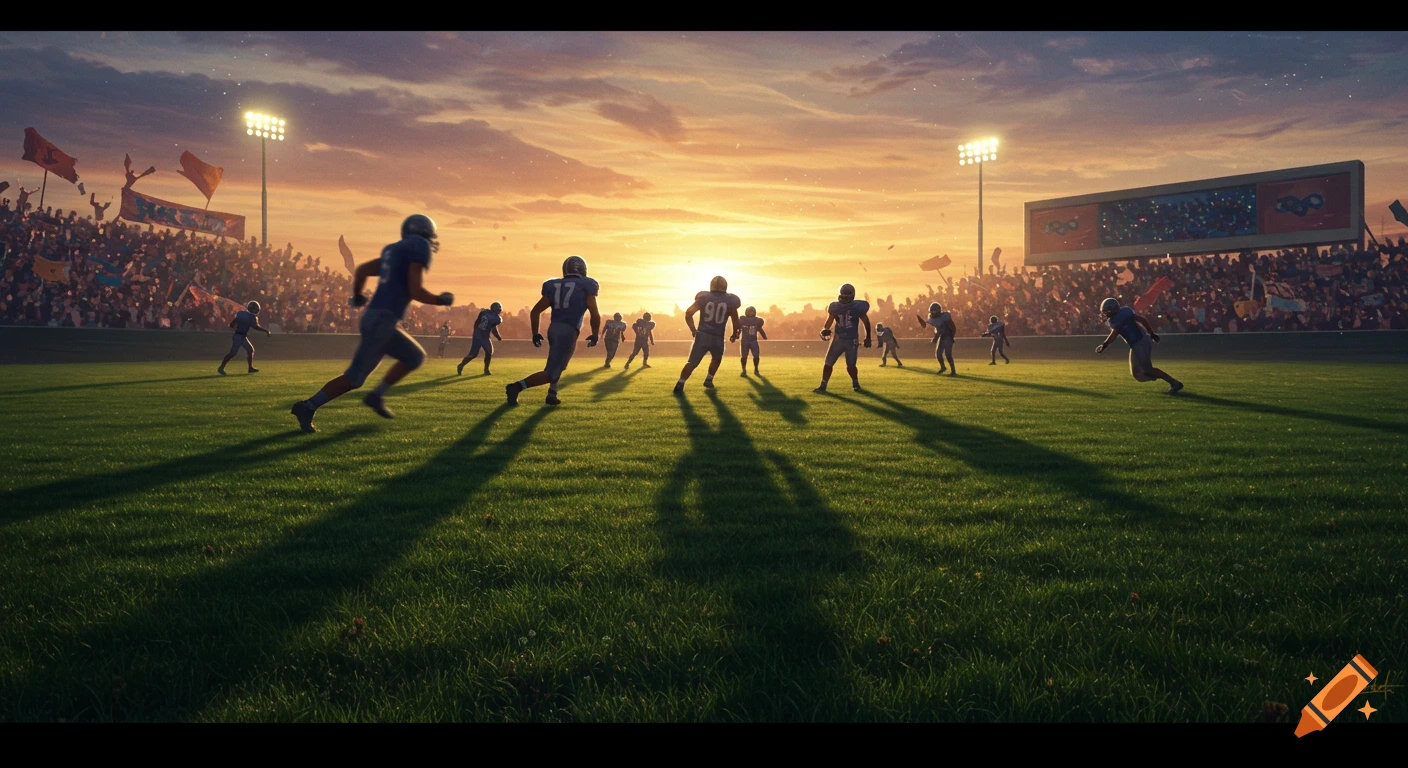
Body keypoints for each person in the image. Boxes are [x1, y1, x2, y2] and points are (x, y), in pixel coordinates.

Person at [290, 214, 453, 432]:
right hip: (383, 320)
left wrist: (357, 295)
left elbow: (363, 270)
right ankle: (309, 406)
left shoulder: (392, 250)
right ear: (425, 233)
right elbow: (415, 290)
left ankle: (374, 396)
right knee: (356, 378)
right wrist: (439, 299)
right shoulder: (419, 246)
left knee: (413, 357)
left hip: (375, 318)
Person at [506, 256, 600, 406]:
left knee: (559, 365)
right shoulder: (585, 285)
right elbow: (594, 313)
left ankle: (552, 394)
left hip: (554, 328)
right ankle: (516, 387)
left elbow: (535, 311)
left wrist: (535, 333)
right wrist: (595, 334)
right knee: (550, 372)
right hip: (568, 330)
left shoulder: (554, 285)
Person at [1096, 297, 1184, 394]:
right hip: (1137, 343)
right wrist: (1151, 333)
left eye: (1106, 311)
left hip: (1140, 341)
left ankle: (1174, 383)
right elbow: (1141, 320)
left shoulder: (1117, 319)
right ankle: (1156, 375)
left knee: (1147, 369)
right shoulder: (1124, 312)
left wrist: (1151, 333)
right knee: (1137, 374)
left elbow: (1116, 333)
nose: (1105, 314)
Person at [674, 276, 740, 395]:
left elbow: (689, 313)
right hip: (717, 336)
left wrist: (693, 329)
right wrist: (735, 334)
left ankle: (680, 382)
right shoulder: (730, 301)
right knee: (717, 358)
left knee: (692, 362)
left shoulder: (703, 298)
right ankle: (709, 379)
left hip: (702, 335)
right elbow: (736, 321)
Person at [814, 283, 872, 393]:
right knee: (828, 363)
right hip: (838, 338)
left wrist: (868, 337)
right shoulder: (835, 307)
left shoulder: (857, 308)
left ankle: (855, 382)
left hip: (851, 340)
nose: (845, 298)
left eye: (847, 296)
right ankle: (823, 385)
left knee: (851, 365)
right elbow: (829, 321)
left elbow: (866, 322)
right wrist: (825, 329)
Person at [218, 300, 270, 375]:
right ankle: (221, 367)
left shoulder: (241, 314)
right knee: (233, 353)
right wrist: (266, 331)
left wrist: (234, 326)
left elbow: (233, 323)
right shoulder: (252, 317)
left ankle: (250, 368)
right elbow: (256, 327)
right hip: (239, 336)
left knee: (250, 350)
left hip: (241, 335)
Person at [457, 302, 503, 375]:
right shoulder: (496, 318)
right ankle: (461, 365)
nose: (499, 311)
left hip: (478, 335)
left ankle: (485, 369)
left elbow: (480, 323)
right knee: (477, 353)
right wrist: (498, 337)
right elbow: (493, 329)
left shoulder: (484, 312)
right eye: (498, 309)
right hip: (481, 336)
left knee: (486, 352)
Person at [917, 302, 957, 375]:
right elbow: (928, 327)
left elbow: (952, 326)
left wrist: (952, 335)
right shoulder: (931, 319)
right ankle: (943, 367)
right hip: (941, 335)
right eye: (932, 311)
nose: (933, 312)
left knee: (948, 354)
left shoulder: (945, 316)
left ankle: (953, 371)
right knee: (938, 354)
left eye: (934, 311)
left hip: (947, 335)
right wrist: (922, 322)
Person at [732, 305, 767, 377]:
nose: (750, 313)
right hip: (746, 341)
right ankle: (744, 370)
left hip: (752, 340)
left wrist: (764, 336)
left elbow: (760, 329)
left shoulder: (752, 321)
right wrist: (736, 336)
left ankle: (755, 369)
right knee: (744, 356)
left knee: (755, 356)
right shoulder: (747, 320)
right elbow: (739, 329)